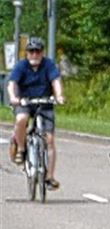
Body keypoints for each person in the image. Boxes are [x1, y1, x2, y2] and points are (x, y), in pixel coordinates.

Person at [7, 37, 66, 189]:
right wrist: (14, 97)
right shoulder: (21, 66)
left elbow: (56, 81)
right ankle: (20, 148)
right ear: (27, 53)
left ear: (42, 52)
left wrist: (59, 95)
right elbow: (12, 83)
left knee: (50, 140)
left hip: (44, 102)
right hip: (24, 101)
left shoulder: (49, 65)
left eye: (37, 51)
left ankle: (49, 177)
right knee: (21, 119)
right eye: (31, 51)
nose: (34, 55)